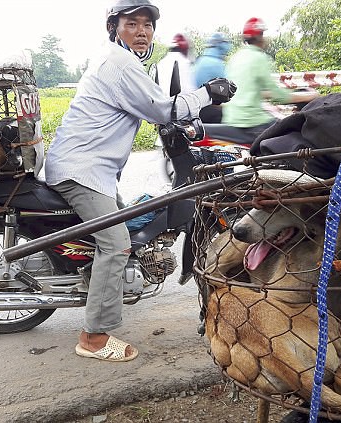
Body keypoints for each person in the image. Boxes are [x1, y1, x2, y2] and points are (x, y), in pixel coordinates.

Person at [44, 0, 236, 362]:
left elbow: (153, 108)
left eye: (147, 25)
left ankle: (101, 290)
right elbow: (163, 110)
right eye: (131, 24)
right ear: (114, 27)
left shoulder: (125, 63)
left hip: (89, 168)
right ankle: (94, 337)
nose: (142, 31)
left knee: (128, 225)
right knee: (116, 244)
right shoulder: (118, 63)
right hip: (82, 171)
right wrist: (209, 93)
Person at [212, 17, 318, 143]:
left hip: (231, 119)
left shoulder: (235, 58)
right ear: (259, 37)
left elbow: (249, 90)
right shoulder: (259, 58)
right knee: (293, 136)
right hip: (252, 124)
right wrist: (309, 96)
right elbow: (279, 96)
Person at [193, 32, 231, 123]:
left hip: (196, 107)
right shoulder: (216, 63)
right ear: (220, 45)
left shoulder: (201, 60)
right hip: (208, 110)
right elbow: (227, 91)